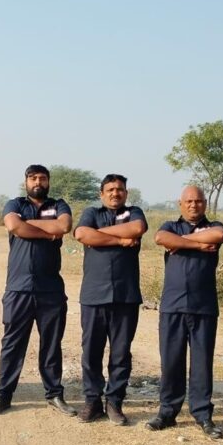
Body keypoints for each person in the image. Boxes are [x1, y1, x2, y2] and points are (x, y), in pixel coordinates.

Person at [0, 164, 75, 417]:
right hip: (19, 288)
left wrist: (29, 225)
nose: (38, 182)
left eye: (42, 178)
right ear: (26, 181)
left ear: (48, 182)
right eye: (33, 178)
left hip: (51, 289)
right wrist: (47, 231)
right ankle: (3, 396)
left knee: (51, 344)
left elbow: (64, 226)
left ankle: (54, 394)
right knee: (12, 344)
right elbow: (14, 226)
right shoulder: (14, 204)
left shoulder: (59, 205)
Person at [146, 185, 223, 436]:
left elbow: (220, 235)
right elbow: (161, 238)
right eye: (189, 201)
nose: (194, 205)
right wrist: (199, 244)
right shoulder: (170, 226)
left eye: (198, 201)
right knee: (171, 362)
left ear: (205, 204)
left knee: (202, 364)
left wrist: (181, 243)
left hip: (204, 307)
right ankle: (167, 412)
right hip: (173, 305)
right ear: (180, 204)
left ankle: (203, 415)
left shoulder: (214, 225)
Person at [72, 174, 147, 425]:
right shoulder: (91, 213)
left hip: (126, 296)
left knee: (121, 353)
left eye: (120, 189)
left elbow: (137, 229)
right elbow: (82, 234)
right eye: (110, 189)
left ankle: (114, 402)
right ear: (101, 193)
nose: (116, 193)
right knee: (91, 352)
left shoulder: (134, 213)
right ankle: (92, 401)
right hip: (94, 295)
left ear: (126, 193)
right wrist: (119, 240)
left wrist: (98, 235)